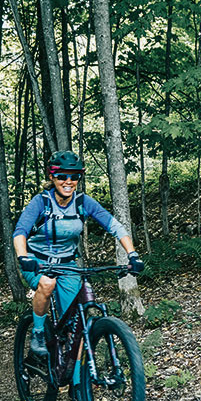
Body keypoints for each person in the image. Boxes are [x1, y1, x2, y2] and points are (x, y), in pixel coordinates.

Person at [13, 150, 144, 364]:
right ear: (52, 177)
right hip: (36, 262)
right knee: (47, 284)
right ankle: (37, 334)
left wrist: (132, 254)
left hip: (67, 266)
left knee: (76, 324)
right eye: (62, 176)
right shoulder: (41, 202)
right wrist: (23, 257)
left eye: (74, 176)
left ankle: (76, 379)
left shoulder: (83, 202)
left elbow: (115, 226)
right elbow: (20, 232)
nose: (68, 181)